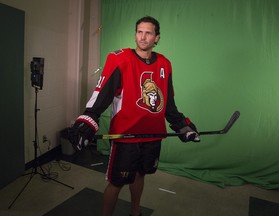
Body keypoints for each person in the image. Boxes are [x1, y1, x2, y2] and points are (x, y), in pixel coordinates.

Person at [68, 16, 200, 216]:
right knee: (116, 182)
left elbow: (168, 104)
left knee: (141, 174)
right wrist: (89, 118)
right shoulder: (119, 59)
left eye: (148, 33)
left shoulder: (165, 64)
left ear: (157, 37)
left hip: (152, 135)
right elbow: (102, 94)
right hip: (125, 136)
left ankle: (135, 212)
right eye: (139, 32)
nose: (143, 37)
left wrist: (183, 125)